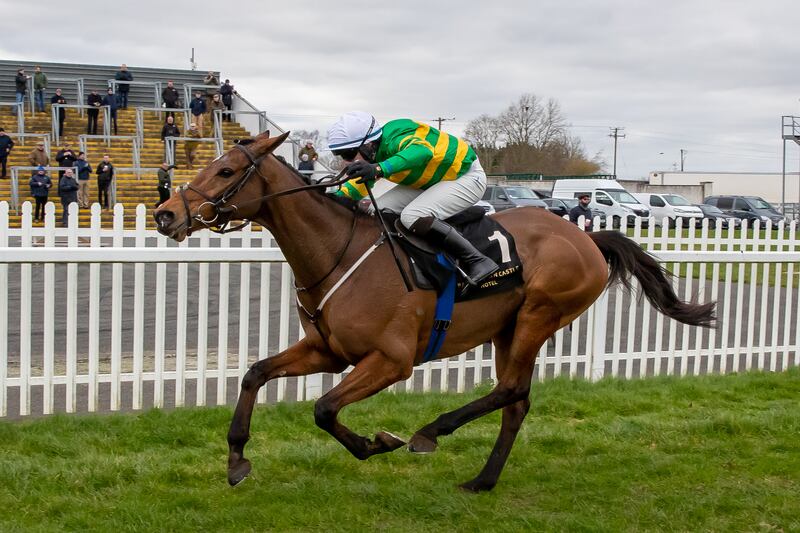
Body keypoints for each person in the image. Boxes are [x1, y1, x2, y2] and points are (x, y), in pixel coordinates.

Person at [328, 111, 498, 285]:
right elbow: (358, 185)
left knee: (412, 216)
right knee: (374, 210)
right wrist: (332, 200)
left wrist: (378, 168)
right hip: (432, 181)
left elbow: (422, 152)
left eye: (348, 154)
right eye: (341, 155)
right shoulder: (374, 152)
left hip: (465, 177)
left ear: (368, 144)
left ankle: (478, 260)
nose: (346, 161)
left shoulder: (397, 134)